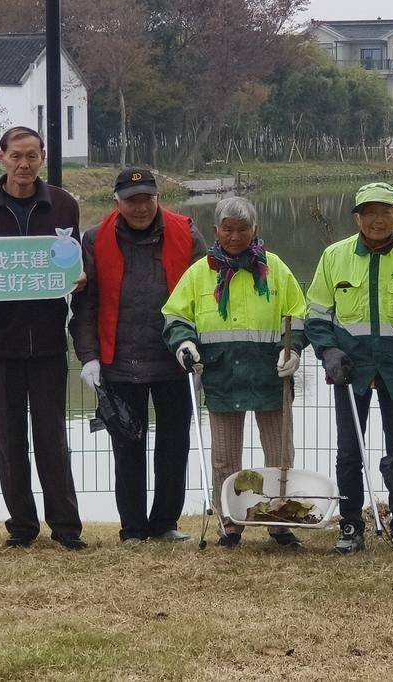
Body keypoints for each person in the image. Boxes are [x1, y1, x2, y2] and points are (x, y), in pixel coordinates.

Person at [0, 126, 86, 550]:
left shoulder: (62, 204)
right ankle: (22, 527)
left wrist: (78, 279)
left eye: (32, 155)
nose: (24, 164)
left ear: (43, 156)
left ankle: (66, 528)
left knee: (52, 436)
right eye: (16, 156)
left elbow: (72, 259)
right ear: (1, 157)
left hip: (47, 340)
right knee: (9, 438)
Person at [69, 167, 206, 544]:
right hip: (118, 361)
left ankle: (165, 522)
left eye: (147, 198)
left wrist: (201, 348)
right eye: (132, 201)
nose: (140, 207)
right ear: (117, 203)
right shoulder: (95, 239)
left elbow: (207, 293)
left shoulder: (187, 232)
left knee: (174, 445)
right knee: (127, 447)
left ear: (158, 198)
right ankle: (132, 528)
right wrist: (89, 356)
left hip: (174, 358)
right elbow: (85, 305)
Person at [162, 196, 307, 549]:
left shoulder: (276, 269)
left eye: (243, 229)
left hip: (271, 375)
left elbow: (299, 313)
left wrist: (293, 350)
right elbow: (176, 315)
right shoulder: (199, 272)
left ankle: (279, 520)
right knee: (225, 458)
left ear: (255, 230)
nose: (235, 236)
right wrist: (184, 344)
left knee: (280, 455)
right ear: (216, 230)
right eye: (227, 229)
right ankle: (230, 523)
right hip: (221, 374)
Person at [305, 182, 393, 555]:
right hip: (350, 371)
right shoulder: (334, 257)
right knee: (349, 450)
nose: (378, 220)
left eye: (386, 212)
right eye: (370, 212)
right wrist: (328, 352)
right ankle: (350, 525)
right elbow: (316, 315)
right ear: (357, 218)